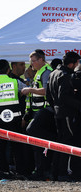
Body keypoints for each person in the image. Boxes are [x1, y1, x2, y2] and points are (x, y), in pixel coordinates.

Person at [0, 59, 27, 179]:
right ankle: (20, 171)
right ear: (8, 70)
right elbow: (26, 91)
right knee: (17, 145)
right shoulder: (15, 82)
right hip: (15, 119)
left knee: (1, 146)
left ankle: (3, 170)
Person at [46, 51, 81, 181]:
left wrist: (56, 108)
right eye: (77, 63)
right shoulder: (65, 75)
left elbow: (49, 96)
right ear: (72, 64)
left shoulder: (53, 73)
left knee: (60, 143)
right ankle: (63, 173)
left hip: (58, 113)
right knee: (68, 143)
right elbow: (64, 97)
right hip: (66, 113)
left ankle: (56, 172)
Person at [22, 50, 54, 180]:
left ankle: (54, 140)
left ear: (41, 59)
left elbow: (46, 91)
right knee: (36, 143)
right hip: (38, 111)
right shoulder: (39, 72)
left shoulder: (46, 72)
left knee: (32, 131)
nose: (32, 65)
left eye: (34, 61)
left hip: (46, 111)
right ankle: (39, 171)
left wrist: (30, 89)